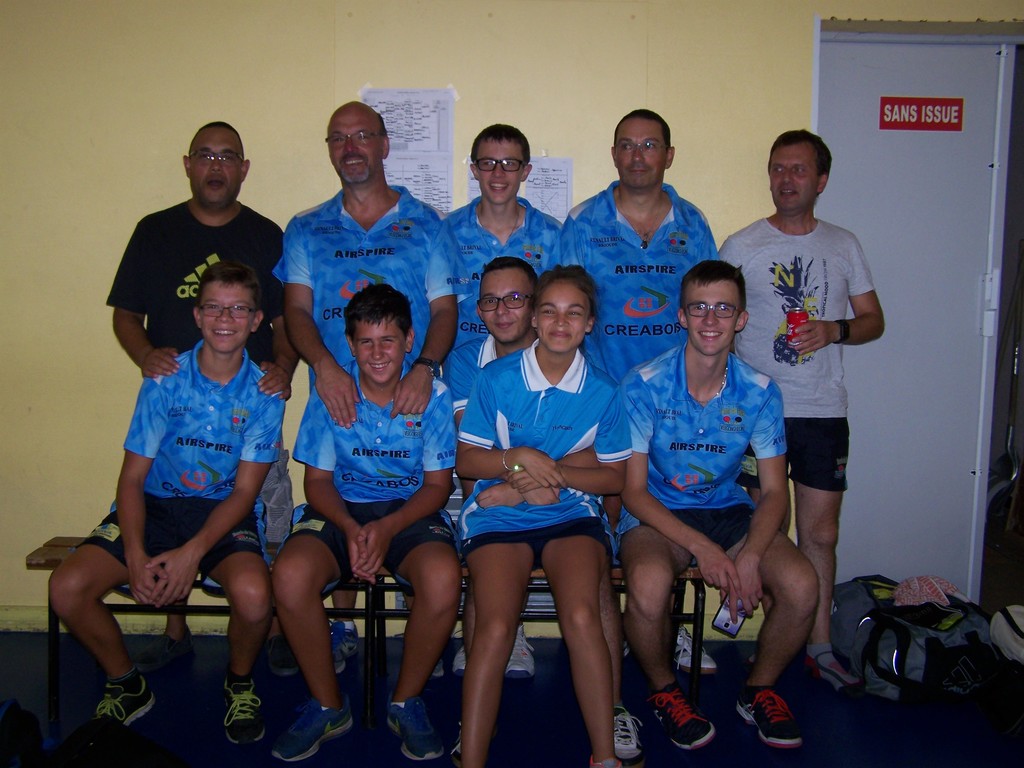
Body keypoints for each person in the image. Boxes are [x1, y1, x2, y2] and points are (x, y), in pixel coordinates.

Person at [50, 262, 286, 744]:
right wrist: (135, 554)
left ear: (256, 320)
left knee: (255, 596)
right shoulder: (164, 377)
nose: (225, 319)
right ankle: (126, 683)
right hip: (153, 506)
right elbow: (132, 478)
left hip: (221, 512)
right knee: (66, 587)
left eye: (239, 309)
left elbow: (245, 493)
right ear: (197, 316)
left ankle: (239, 682)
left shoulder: (266, 391)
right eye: (214, 307)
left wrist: (193, 553)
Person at [106, 121, 298, 674]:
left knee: (266, 511)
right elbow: (126, 314)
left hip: (248, 406)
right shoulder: (154, 231)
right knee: (170, 502)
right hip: (175, 404)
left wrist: (282, 369)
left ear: (243, 169)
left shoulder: (265, 235)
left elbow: (286, 320)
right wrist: (146, 355)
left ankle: (275, 626)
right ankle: (175, 629)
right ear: (188, 164)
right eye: (206, 156)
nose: (216, 166)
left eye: (228, 156)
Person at [274, 102, 465, 652]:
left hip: (410, 392)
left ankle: (420, 627)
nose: (350, 147)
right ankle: (342, 625)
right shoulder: (305, 227)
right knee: (341, 492)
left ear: (384, 144)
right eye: (338, 137)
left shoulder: (426, 223)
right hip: (337, 390)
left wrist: (425, 368)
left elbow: (445, 309)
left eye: (362, 135)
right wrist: (325, 368)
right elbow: (296, 310)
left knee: (408, 502)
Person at [618, 261, 818, 751]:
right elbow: (633, 492)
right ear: (681, 316)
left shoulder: (761, 391)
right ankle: (664, 691)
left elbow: (775, 492)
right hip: (658, 511)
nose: (711, 320)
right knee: (648, 584)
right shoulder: (642, 384)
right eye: (699, 308)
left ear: (741, 319)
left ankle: (758, 690)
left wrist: (750, 554)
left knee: (802, 585)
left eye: (724, 309)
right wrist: (705, 549)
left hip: (727, 509)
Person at [720, 130, 885, 692]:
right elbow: (712, 318)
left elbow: (873, 320)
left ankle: (818, 646)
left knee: (821, 533)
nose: (785, 180)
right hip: (754, 413)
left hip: (821, 410)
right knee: (762, 533)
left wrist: (834, 330)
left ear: (821, 180)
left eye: (797, 170)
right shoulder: (741, 245)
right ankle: (772, 640)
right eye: (777, 169)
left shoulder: (843, 244)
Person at [270, 284, 461, 763]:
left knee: (443, 578)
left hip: (410, 511)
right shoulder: (331, 393)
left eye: (389, 341)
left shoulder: (434, 395)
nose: (377, 354)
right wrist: (352, 528)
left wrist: (387, 528)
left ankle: (406, 700)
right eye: (366, 342)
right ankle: (328, 704)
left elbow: (437, 487)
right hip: (339, 508)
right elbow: (317, 482)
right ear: (351, 345)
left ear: (409, 340)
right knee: (290, 574)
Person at [560, 107, 719, 674]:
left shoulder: (693, 223)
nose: (637, 156)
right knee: (607, 526)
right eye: (627, 145)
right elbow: (564, 309)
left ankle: (666, 629)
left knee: (670, 510)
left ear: (668, 155)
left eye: (650, 145)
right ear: (613, 154)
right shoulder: (583, 223)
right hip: (606, 398)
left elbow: (709, 307)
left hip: (676, 403)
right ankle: (617, 636)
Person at [455, 265, 631, 768]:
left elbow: (614, 477)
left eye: (574, 313)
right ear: (533, 317)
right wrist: (517, 461)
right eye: (549, 310)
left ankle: (604, 757)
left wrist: (543, 477)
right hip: (496, 514)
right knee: (495, 626)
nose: (560, 322)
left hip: (569, 511)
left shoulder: (604, 389)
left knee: (581, 616)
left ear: (590, 323)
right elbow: (468, 461)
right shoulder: (495, 379)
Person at [444, 123, 562, 348]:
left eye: (509, 163)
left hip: (527, 363)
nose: (498, 173)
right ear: (474, 170)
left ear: (525, 171)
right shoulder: (446, 232)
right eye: (488, 163)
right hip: (464, 364)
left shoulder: (553, 235)